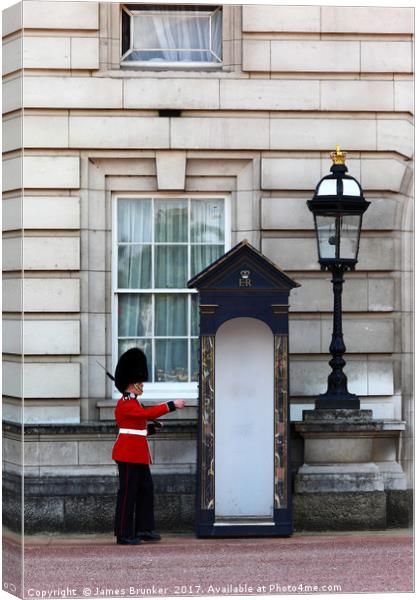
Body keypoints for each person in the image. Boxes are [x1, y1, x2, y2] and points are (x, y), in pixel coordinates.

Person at [111, 347, 186, 545]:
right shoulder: (126, 403)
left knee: (145, 489)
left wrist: (152, 429)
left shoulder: (134, 402)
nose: (142, 384)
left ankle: (144, 528)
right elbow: (146, 415)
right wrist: (171, 405)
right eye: (140, 382)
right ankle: (123, 533)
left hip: (137, 453)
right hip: (128, 454)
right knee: (128, 493)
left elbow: (136, 427)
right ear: (132, 383)